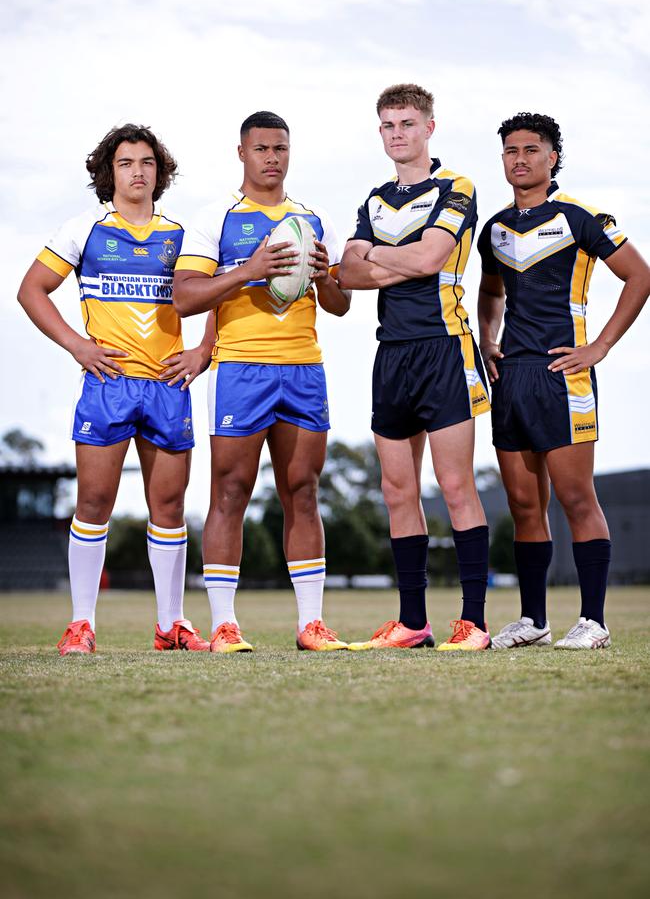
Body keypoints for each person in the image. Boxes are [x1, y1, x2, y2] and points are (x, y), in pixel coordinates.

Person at [18, 124, 214, 656]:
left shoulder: (182, 235)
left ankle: (171, 624)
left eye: (147, 162)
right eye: (126, 162)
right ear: (110, 172)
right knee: (95, 500)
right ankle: (82, 624)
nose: (137, 171)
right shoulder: (85, 230)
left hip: (167, 385)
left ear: (160, 171)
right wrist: (77, 345)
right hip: (107, 384)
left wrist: (203, 351)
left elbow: (216, 295)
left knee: (169, 506)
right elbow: (30, 290)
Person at [173, 111, 351, 653]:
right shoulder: (215, 219)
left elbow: (340, 306)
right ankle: (225, 626)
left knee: (304, 491)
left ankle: (311, 625)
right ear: (242, 153)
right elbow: (184, 297)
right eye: (261, 149)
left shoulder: (313, 219)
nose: (272, 158)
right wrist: (248, 270)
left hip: (303, 368)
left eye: (280, 149)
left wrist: (325, 277)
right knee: (229, 492)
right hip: (239, 370)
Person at [477, 112, 650, 649]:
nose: (520, 159)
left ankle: (593, 621)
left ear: (553, 158)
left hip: (563, 376)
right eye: (511, 150)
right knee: (524, 507)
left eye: (531, 149)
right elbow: (490, 292)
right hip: (512, 380)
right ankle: (533, 620)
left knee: (576, 498)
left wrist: (598, 347)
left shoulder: (582, 217)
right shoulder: (495, 228)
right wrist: (488, 340)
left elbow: (640, 276)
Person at [338, 83, 491, 651]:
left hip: (445, 349)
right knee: (397, 490)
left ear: (430, 127)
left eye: (407, 123)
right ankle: (413, 623)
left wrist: (375, 254)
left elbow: (431, 258)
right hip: (392, 354)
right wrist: (385, 260)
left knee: (455, 487)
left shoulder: (458, 186)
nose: (397, 134)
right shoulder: (373, 201)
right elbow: (346, 276)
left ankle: (473, 623)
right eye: (387, 125)